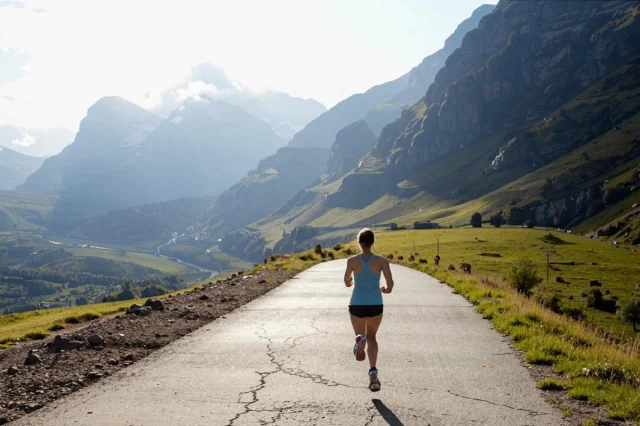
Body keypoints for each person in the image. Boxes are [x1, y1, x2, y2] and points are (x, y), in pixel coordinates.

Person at [343, 228, 394, 392]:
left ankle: (359, 340)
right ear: (372, 242)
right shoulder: (381, 261)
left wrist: (350, 281)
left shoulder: (351, 261)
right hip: (375, 304)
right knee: (372, 337)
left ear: (359, 242)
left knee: (361, 335)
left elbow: (346, 281)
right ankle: (373, 371)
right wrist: (385, 289)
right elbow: (390, 284)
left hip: (357, 303)